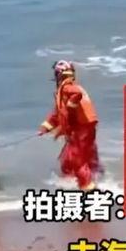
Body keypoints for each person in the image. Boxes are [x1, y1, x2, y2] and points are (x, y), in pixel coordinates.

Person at [38, 60, 100, 191]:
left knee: (76, 159)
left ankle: (88, 188)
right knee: (74, 156)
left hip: (81, 128)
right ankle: (88, 177)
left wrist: (70, 108)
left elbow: (76, 95)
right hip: (87, 126)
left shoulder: (67, 87)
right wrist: (46, 127)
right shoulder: (69, 88)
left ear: (59, 74)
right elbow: (57, 114)